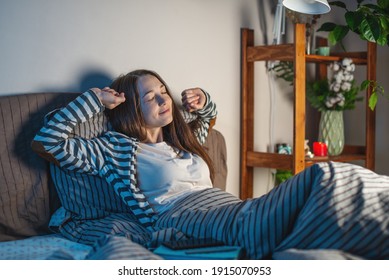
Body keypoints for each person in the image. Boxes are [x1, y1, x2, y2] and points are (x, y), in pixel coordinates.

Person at [32, 69, 389, 260]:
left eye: (162, 89)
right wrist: (95, 100)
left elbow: (208, 118)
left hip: (230, 207)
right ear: (130, 108)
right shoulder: (115, 150)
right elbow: (48, 142)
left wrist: (203, 100)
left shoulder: (181, 139)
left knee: (326, 202)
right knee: (325, 179)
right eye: (150, 95)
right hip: (183, 217)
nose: (163, 98)